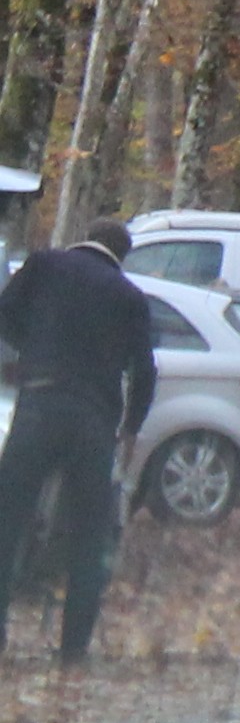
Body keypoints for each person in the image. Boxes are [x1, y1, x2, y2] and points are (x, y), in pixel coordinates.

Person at [0, 217, 156, 666]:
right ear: (120, 257)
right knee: (90, 536)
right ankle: (73, 648)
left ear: (84, 237)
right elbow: (145, 372)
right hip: (93, 422)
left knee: (6, 521)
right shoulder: (128, 296)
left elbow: (5, 313)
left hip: (38, 407)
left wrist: (31, 349)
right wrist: (130, 429)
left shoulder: (44, 265)